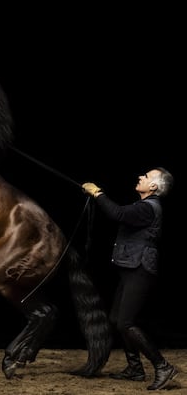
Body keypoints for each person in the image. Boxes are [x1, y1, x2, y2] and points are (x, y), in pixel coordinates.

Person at [82, 167, 178, 391]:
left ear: (153, 186)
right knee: (117, 319)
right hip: (131, 268)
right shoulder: (143, 206)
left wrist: (98, 193)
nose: (140, 177)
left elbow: (118, 214)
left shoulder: (148, 207)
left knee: (126, 322)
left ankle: (162, 366)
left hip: (140, 270)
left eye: (145, 177)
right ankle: (135, 369)